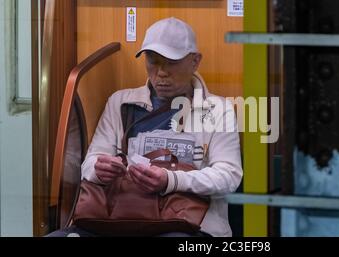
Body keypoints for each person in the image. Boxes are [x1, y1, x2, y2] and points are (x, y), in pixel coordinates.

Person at [47, 17, 243, 237]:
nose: (161, 72)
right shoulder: (120, 102)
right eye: (153, 60)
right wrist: (100, 170)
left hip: (188, 224)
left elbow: (229, 176)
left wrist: (170, 180)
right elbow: (89, 164)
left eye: (171, 62)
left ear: (195, 61)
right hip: (121, 219)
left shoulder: (217, 109)